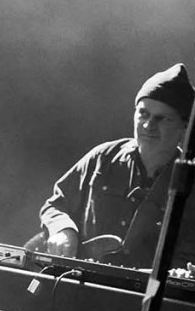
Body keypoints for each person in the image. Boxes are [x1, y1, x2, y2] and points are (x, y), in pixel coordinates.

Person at [29, 63, 195, 270]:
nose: (148, 125)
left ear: (184, 127)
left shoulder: (187, 182)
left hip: (140, 297)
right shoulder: (104, 157)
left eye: (162, 119)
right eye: (143, 114)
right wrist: (63, 230)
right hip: (77, 283)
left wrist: (182, 275)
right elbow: (56, 205)